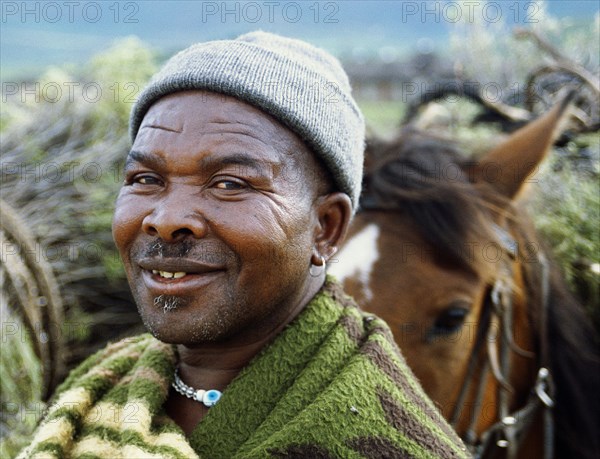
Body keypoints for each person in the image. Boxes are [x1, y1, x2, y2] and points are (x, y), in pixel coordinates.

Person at [19, 32, 469, 458]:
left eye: (229, 184)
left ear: (326, 228)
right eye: (146, 179)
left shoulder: (394, 442)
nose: (167, 219)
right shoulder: (102, 385)